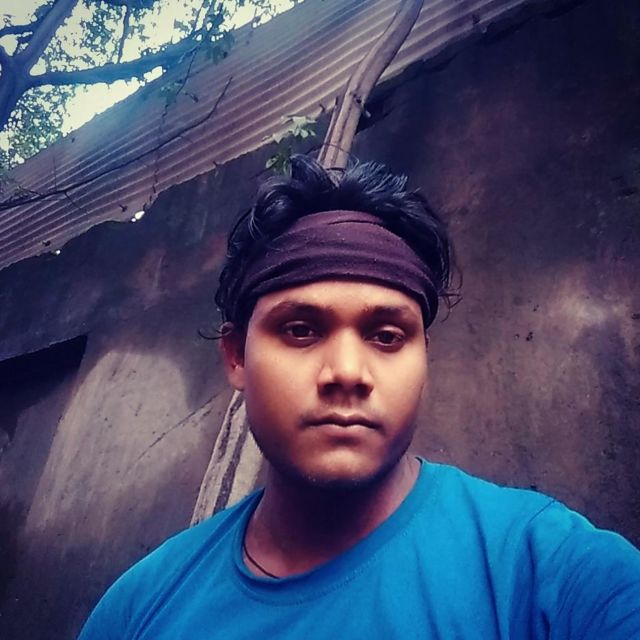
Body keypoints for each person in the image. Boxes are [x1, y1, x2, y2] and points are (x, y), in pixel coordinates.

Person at [79, 155, 640, 639]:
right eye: (300, 329)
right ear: (236, 358)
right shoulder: (138, 610)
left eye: (387, 336)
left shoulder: (552, 574)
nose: (347, 372)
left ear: (422, 358)